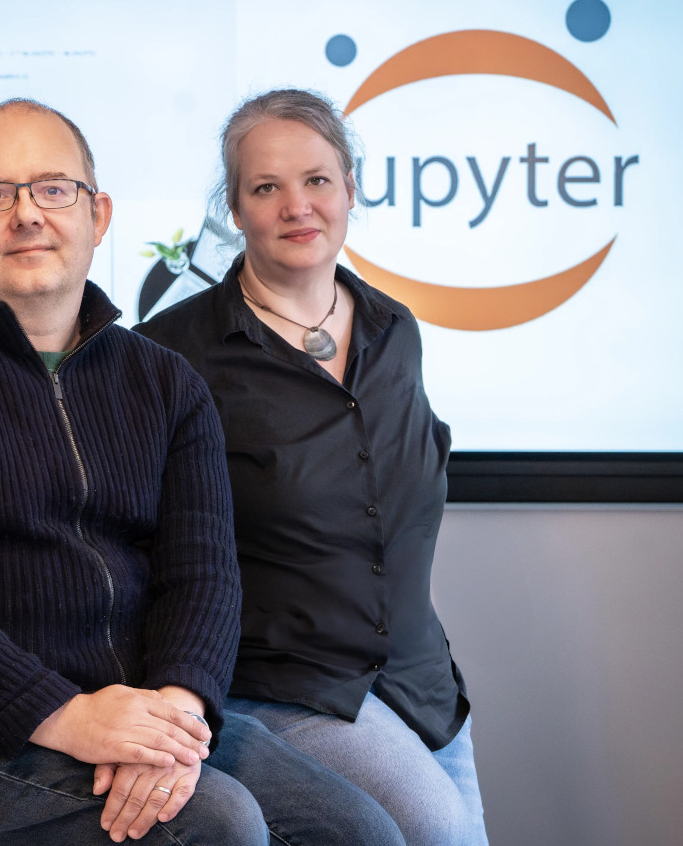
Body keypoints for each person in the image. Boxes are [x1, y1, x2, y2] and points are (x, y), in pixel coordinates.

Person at [0, 98, 404, 846]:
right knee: (219, 826)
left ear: (100, 214)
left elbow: (204, 576)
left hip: (130, 709)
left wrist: (177, 719)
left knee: (359, 832)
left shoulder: (165, 381)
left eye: (54, 188)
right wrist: (70, 716)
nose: (28, 214)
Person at [137, 88, 488, 846]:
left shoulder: (397, 331)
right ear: (234, 208)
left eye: (317, 180)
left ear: (351, 189)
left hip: (419, 680)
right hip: (285, 686)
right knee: (436, 835)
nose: (297, 205)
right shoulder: (174, 353)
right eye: (266, 187)